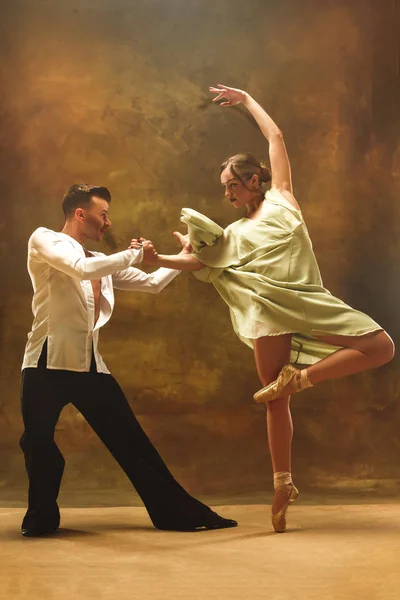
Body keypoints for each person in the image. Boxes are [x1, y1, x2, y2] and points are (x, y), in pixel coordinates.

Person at [138, 84, 395, 534]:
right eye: (224, 189)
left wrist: (249, 100)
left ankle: (301, 377)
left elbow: (275, 138)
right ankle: (282, 486)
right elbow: (201, 260)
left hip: (309, 301)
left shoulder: (282, 198)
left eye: (232, 185)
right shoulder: (232, 234)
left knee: (380, 347)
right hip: (268, 315)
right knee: (275, 399)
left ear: (254, 180)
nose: (228, 195)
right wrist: (160, 259)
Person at [20, 183, 237, 537]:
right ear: (80, 214)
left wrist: (182, 256)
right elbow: (77, 268)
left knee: (133, 442)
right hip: (45, 364)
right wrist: (132, 254)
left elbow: (151, 283)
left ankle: (178, 514)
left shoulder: (98, 261)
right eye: (102, 214)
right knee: (39, 443)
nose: (108, 222)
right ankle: (41, 518)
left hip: (90, 368)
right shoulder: (44, 239)